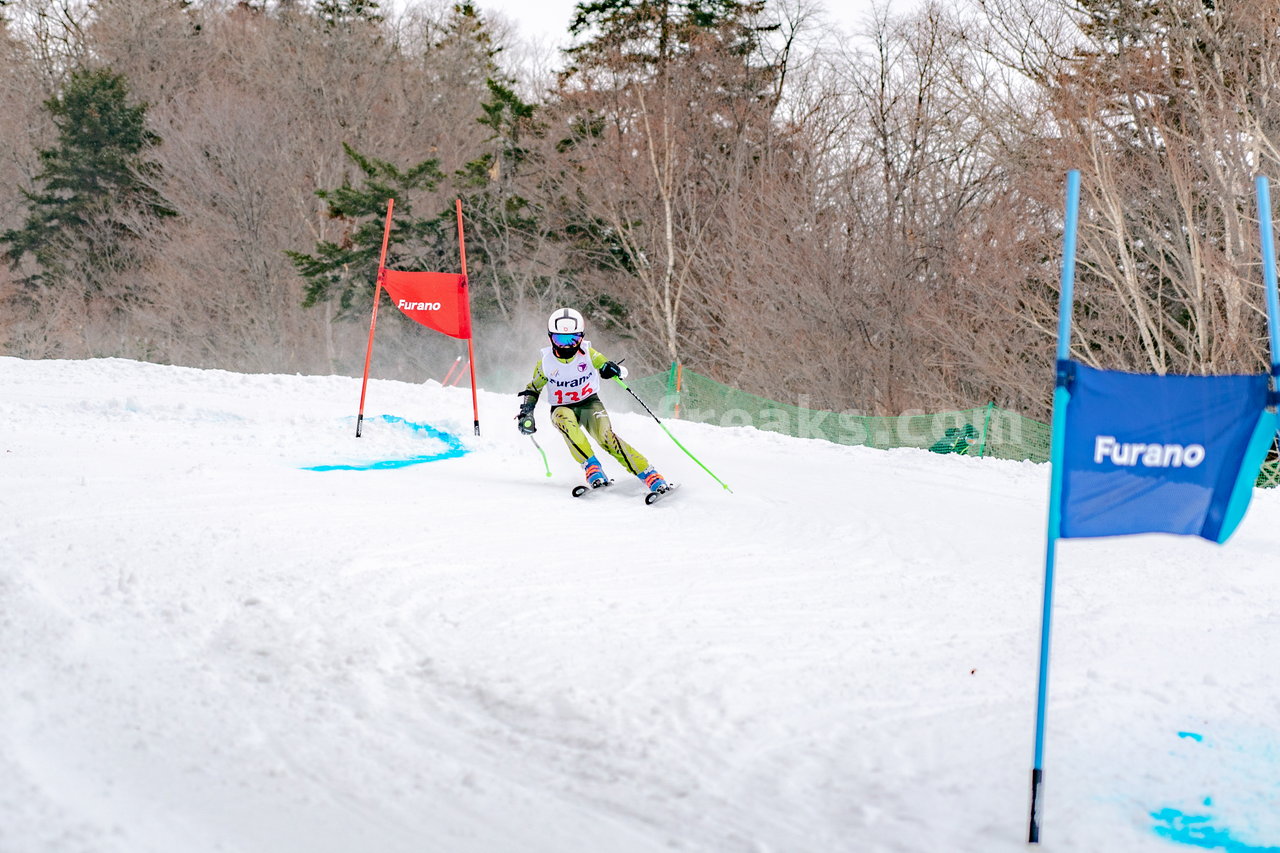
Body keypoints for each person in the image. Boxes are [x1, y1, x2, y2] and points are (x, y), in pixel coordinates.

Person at [516, 307, 669, 493]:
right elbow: (533, 389)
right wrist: (526, 412)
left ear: (581, 337)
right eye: (560, 339)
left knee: (605, 437)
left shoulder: (589, 355)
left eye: (572, 339)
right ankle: (592, 468)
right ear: (550, 338)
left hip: (589, 403)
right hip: (561, 407)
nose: (566, 345)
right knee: (566, 423)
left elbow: (615, 369)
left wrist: (612, 370)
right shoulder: (546, 363)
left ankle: (649, 474)